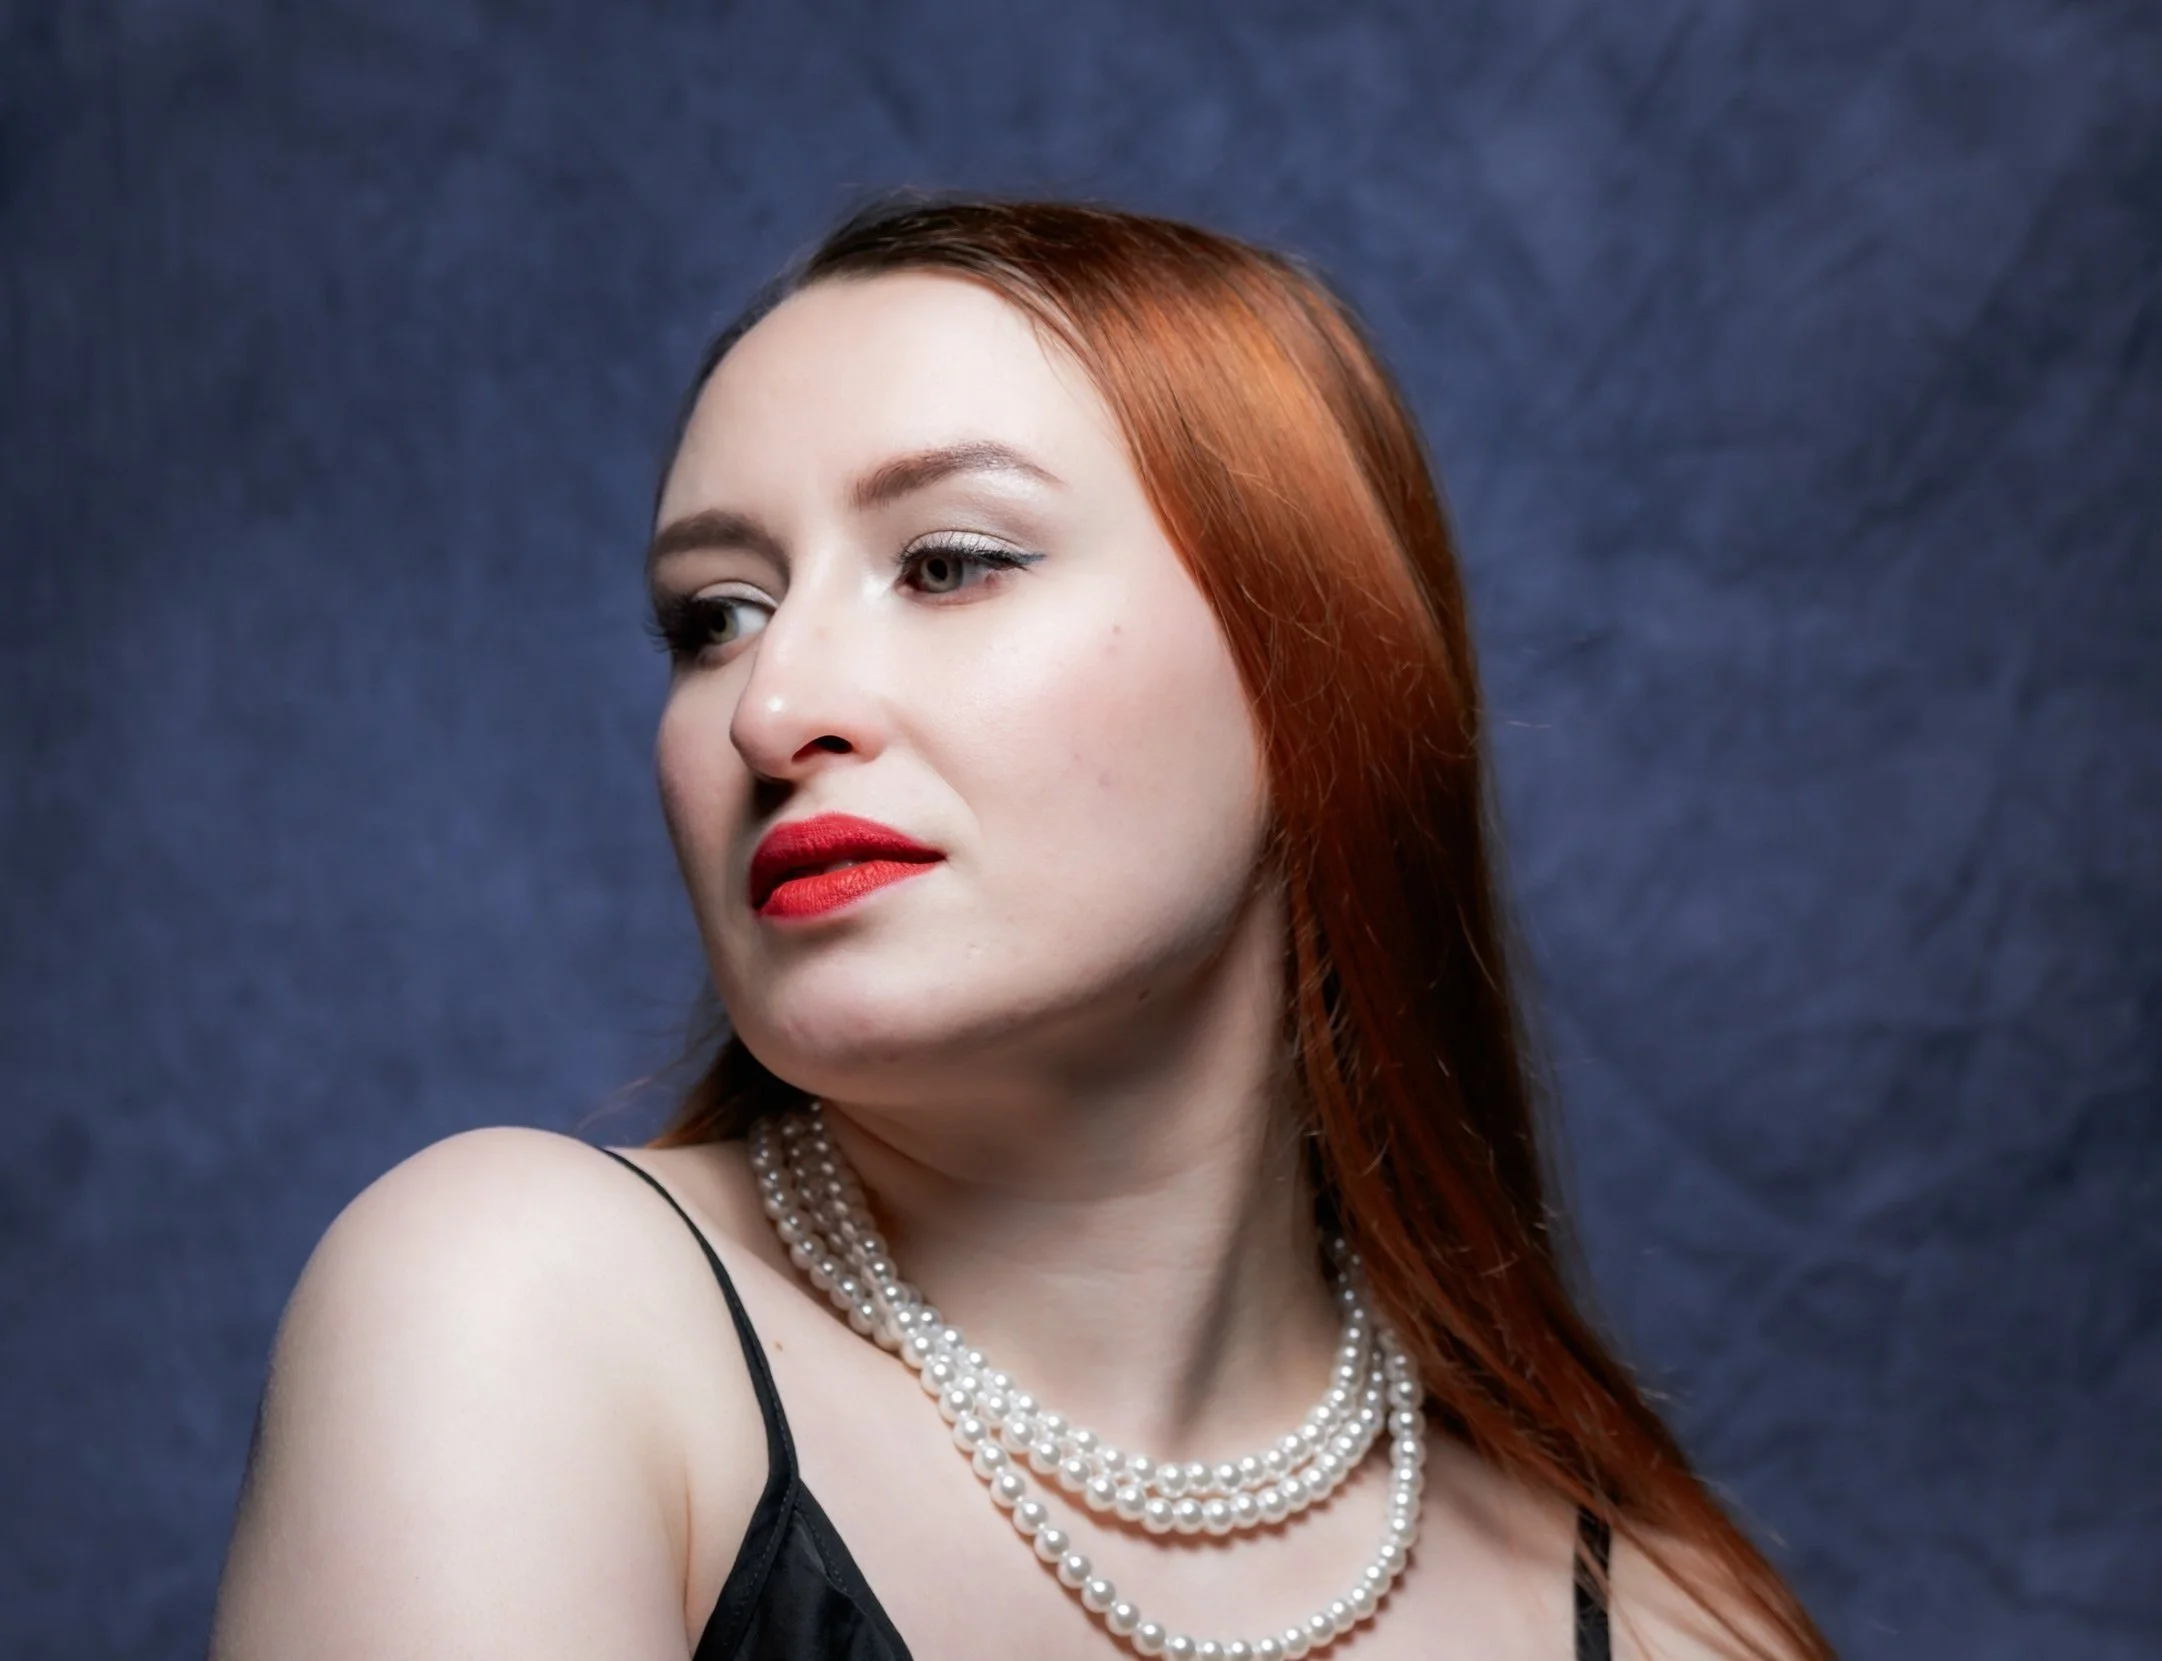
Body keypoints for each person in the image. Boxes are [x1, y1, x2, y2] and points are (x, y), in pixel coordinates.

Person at [210, 197, 1830, 1661]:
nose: (774, 710)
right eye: (714, 617)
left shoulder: (1680, 1622)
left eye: (949, 564)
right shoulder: (516, 1312)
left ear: (1314, 674)